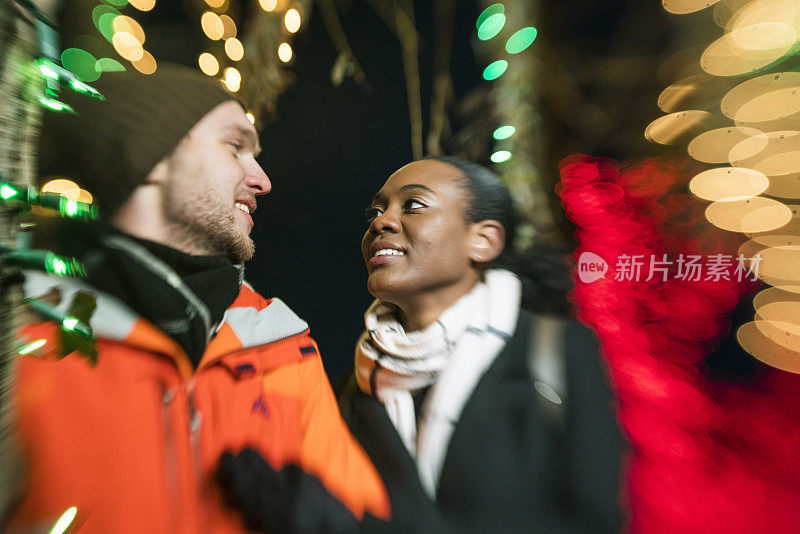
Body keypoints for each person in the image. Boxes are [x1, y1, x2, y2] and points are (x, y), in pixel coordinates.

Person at [6, 65, 389, 534]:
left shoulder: (284, 349)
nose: (263, 180)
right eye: (236, 147)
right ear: (154, 159)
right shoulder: (28, 342)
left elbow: (364, 510)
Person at [336, 157, 623, 533]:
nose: (380, 222)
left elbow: (600, 516)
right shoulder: (356, 386)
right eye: (376, 210)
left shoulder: (553, 351)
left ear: (483, 241)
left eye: (414, 205)